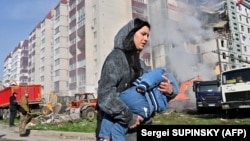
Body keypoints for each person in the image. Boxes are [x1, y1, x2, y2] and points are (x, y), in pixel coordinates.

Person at [95, 18, 176, 141]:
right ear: (131, 33)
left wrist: (170, 91)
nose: (146, 39)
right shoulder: (116, 58)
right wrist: (128, 117)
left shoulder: (140, 64)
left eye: (148, 35)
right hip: (117, 130)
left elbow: (152, 92)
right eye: (143, 34)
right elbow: (105, 95)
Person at [98, 67, 179, 141]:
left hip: (137, 99)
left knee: (112, 114)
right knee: (117, 125)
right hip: (142, 106)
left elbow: (155, 75)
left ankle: (104, 136)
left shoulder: (163, 74)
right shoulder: (121, 59)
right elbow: (156, 75)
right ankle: (105, 136)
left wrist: (144, 85)